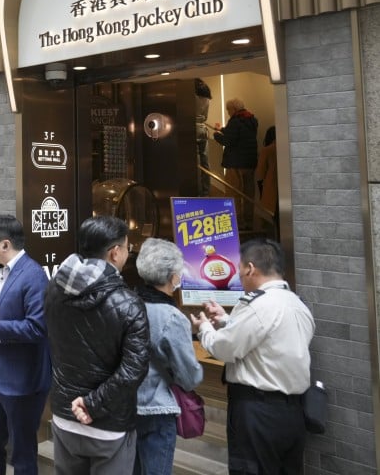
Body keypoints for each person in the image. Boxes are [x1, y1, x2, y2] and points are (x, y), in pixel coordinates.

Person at [193, 238, 314, 474]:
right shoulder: (297, 304)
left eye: (239, 270)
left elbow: (224, 349)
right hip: (293, 413)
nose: (239, 276)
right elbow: (269, 340)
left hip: (257, 413)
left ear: (250, 268)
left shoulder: (258, 305)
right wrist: (228, 320)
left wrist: (204, 328)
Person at [45, 215, 150, 474]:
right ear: (115, 253)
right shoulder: (128, 303)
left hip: (64, 415)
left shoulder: (54, 290)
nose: (128, 253)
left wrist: (80, 404)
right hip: (108, 425)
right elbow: (133, 370)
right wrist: (91, 404)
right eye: (127, 247)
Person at [0, 215, 51, 475]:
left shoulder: (34, 276)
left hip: (22, 380)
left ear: (5, 244)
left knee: (23, 453)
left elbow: (38, 328)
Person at [134, 239, 204, 475]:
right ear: (172, 276)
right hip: (157, 409)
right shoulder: (172, 317)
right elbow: (189, 376)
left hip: (127, 405)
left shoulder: (128, 304)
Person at [212, 98, 259, 229]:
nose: (228, 113)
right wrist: (222, 128)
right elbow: (238, 135)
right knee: (249, 193)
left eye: (228, 110)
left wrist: (216, 134)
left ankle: (238, 222)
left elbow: (228, 141)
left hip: (235, 164)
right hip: (250, 163)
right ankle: (249, 220)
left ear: (233, 109)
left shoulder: (235, 121)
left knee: (234, 193)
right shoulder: (251, 120)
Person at [256, 126, 279, 233]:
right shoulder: (288, 147)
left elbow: (260, 174)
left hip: (272, 188)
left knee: (272, 219)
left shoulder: (267, 150)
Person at [195, 78, 213, 196]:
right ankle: (206, 191)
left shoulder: (192, 97)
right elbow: (205, 116)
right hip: (203, 129)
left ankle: (196, 190)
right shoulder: (207, 99)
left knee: (195, 163)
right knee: (205, 162)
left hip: (193, 129)